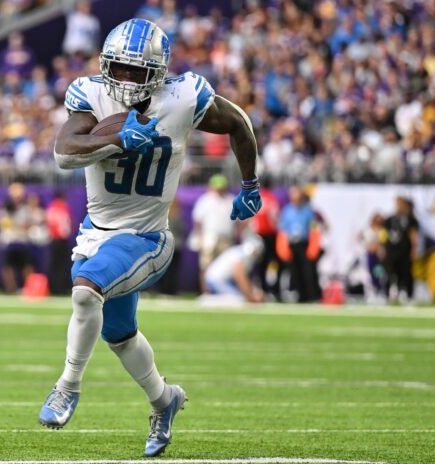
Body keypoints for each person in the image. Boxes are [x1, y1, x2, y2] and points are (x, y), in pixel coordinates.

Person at [39, 19, 262, 457]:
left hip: (147, 238)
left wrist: (250, 184)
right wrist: (117, 139)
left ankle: (67, 386)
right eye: (117, 68)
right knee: (119, 335)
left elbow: (238, 122)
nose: (122, 79)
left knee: (86, 295)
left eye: (134, 71)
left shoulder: (183, 97)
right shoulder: (91, 93)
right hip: (95, 236)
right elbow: (65, 152)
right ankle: (165, 401)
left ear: (157, 72)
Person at [190, 174, 235, 292]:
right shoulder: (205, 200)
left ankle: (222, 292)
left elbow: (240, 220)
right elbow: (197, 221)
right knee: (206, 265)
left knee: (224, 266)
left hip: (226, 237)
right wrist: (199, 238)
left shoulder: (230, 199)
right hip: (209, 236)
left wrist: (237, 233)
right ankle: (207, 292)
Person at [278, 187, 319, 302]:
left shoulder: (307, 211)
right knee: (294, 272)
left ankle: (311, 296)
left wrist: (313, 246)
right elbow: (283, 230)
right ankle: (300, 295)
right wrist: (283, 246)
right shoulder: (287, 210)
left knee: (308, 271)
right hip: (292, 244)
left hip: (304, 244)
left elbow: (314, 228)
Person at [203, 233, 264, 302]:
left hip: (216, 280)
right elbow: (240, 277)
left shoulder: (239, 251)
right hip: (216, 281)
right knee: (239, 300)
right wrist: (250, 296)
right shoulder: (244, 256)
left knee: (241, 297)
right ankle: (210, 300)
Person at [0, 183, 33, 293]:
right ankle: (10, 289)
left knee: (27, 266)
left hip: (22, 240)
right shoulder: (4, 208)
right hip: (9, 241)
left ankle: (29, 288)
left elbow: (28, 225)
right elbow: (4, 224)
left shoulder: (25, 208)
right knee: (8, 267)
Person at [384, 197, 419, 302]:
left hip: (404, 251)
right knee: (391, 272)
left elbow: (414, 235)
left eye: (400, 204)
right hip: (392, 251)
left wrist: (414, 249)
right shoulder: (390, 219)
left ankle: (405, 292)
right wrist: (383, 248)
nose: (399, 206)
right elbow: (384, 235)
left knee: (405, 272)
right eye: (397, 203)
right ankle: (392, 291)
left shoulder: (409, 219)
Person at [46, 192, 74, 295]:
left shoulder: (51, 208)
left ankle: (53, 288)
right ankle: (61, 289)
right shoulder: (63, 207)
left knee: (54, 265)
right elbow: (67, 224)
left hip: (53, 240)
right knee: (62, 265)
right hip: (61, 240)